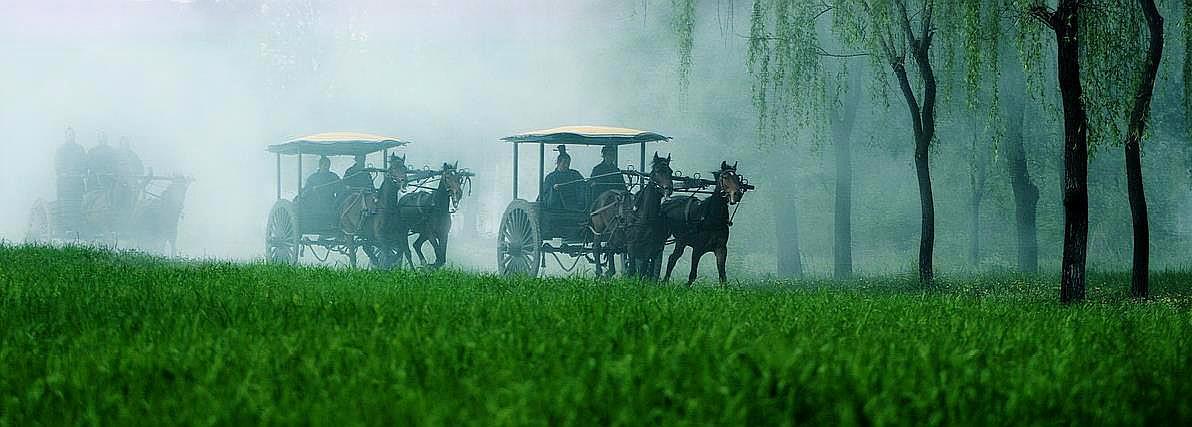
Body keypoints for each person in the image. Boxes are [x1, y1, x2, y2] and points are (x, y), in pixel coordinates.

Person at [538, 145, 584, 210]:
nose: (566, 165)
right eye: (564, 163)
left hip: (574, 204)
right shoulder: (550, 177)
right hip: (557, 205)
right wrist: (553, 189)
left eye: (568, 163)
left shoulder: (575, 174)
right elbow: (545, 194)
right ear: (558, 163)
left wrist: (589, 183)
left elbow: (583, 184)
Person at [301, 156, 341, 229]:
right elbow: (305, 191)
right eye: (325, 165)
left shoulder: (333, 176)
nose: (327, 167)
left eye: (328, 165)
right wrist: (312, 189)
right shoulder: (313, 177)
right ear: (320, 165)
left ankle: (333, 225)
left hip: (330, 201)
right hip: (315, 203)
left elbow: (340, 189)